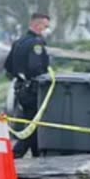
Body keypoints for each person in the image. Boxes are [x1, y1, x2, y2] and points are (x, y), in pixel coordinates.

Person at [6, 12, 52, 158]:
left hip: (20, 88)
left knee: (32, 122)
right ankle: (17, 152)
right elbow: (36, 68)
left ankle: (36, 153)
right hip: (33, 89)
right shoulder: (36, 44)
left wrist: (19, 77)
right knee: (34, 123)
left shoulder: (19, 42)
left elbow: (8, 65)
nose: (47, 30)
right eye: (46, 26)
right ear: (37, 25)